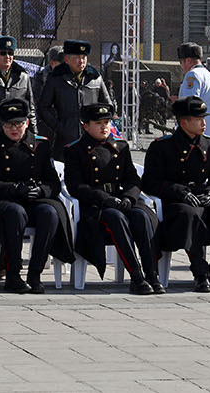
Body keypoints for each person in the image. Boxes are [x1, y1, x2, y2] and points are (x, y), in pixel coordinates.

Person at [142, 96, 210, 293]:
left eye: (204, 118)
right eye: (198, 119)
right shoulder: (162, 146)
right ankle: (200, 273)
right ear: (183, 122)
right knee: (189, 215)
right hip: (176, 202)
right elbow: (150, 182)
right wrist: (180, 192)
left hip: (203, 197)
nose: (204, 123)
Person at [64, 103, 162, 295]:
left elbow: (133, 179)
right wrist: (104, 199)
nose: (104, 127)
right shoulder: (75, 150)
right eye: (98, 123)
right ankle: (136, 276)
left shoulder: (121, 147)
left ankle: (152, 274)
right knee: (115, 218)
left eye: (107, 122)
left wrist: (129, 198)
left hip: (122, 199)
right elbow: (75, 186)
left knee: (142, 216)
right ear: (86, 126)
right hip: (96, 206)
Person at [0, 97, 74, 294]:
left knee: (50, 213)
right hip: (6, 200)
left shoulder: (41, 145)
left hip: (34, 198)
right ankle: (13, 274)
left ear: (27, 123)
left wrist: (41, 191)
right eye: (9, 125)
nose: (14, 129)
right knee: (15, 213)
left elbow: (53, 182)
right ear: (2, 125)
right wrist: (13, 188)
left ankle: (35, 273)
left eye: (18, 124)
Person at [37, 39, 114, 146]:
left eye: (84, 57)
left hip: (91, 140)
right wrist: (58, 127)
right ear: (66, 59)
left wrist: (98, 124)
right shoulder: (55, 79)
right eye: (77, 57)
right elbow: (43, 107)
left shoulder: (95, 78)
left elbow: (108, 106)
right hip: (66, 139)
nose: (81, 61)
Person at [175, 43, 210, 138]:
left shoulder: (192, 75)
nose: (181, 66)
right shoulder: (209, 75)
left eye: (181, 62)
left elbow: (190, 104)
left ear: (188, 60)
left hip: (195, 129)